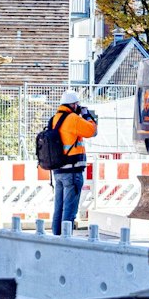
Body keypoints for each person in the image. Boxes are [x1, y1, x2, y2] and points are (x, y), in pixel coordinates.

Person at [49, 90, 97, 234]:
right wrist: (87, 115)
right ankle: (65, 240)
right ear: (74, 104)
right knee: (69, 210)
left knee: (59, 208)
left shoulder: (54, 119)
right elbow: (92, 131)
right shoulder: (73, 119)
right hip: (72, 172)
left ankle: (56, 238)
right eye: (77, 104)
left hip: (57, 171)